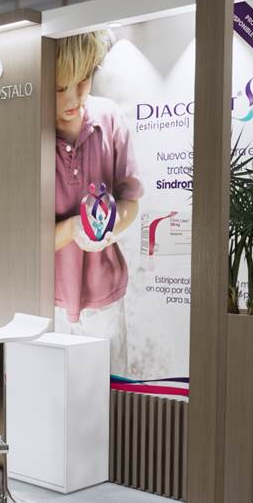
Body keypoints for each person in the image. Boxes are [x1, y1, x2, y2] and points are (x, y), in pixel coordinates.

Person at [54, 31, 144, 375]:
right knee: (55, 396)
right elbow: (23, 240)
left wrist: (108, 227)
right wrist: (72, 228)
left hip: (104, 296)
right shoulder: (29, 134)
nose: (74, 97)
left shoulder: (109, 118)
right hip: (49, 301)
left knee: (112, 395)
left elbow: (130, 199)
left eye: (83, 79)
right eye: (59, 88)